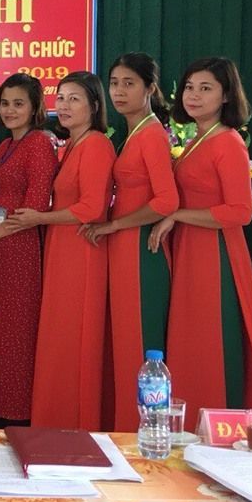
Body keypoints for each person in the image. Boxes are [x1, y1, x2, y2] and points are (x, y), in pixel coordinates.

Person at [151, 57, 252, 413]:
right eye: (190, 87)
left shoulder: (227, 142)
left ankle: (217, 413)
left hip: (214, 252)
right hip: (192, 247)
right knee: (190, 336)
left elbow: (240, 211)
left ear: (226, 96)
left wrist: (177, 215)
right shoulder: (198, 138)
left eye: (205, 88)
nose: (193, 95)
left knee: (208, 337)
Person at [81, 54, 179, 431]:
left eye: (129, 83)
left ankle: (145, 432)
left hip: (141, 252)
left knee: (140, 345)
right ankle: (125, 426)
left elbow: (166, 200)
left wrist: (115, 224)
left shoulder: (151, 134)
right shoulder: (135, 132)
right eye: (114, 83)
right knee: (125, 344)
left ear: (150, 88)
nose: (119, 91)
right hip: (126, 249)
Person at [20, 71, 116, 431]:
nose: (64, 105)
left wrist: (40, 218)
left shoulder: (96, 145)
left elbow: (91, 208)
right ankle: (55, 421)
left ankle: (77, 425)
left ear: (94, 105)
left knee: (74, 342)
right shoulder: (72, 144)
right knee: (59, 341)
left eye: (74, 98)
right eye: (60, 97)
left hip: (81, 253)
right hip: (63, 249)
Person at [0, 74, 57, 427]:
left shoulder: (39, 143)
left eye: (18, 103)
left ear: (35, 107)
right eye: (5, 103)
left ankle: (18, 417)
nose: (10, 110)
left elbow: (34, 206)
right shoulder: (7, 145)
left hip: (19, 249)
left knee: (17, 334)